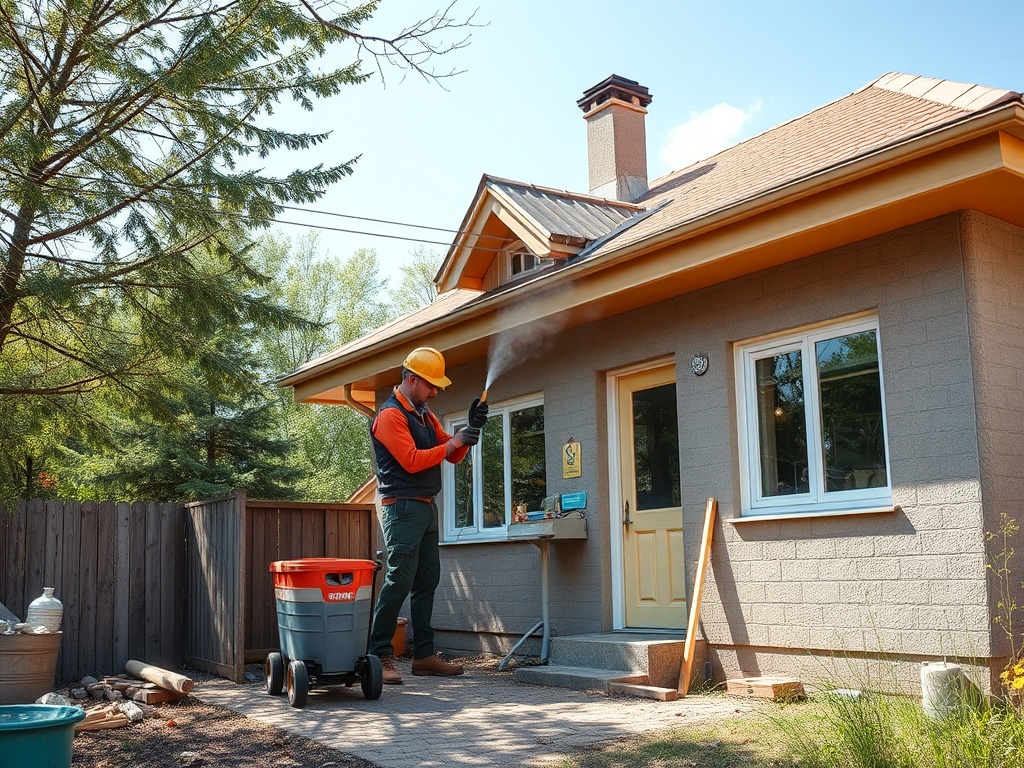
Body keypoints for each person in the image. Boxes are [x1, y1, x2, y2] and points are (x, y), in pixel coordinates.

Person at [368, 346, 488, 685]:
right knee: (399, 581)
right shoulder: (391, 415)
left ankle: (423, 655)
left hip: (425, 507)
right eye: (430, 385)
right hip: (402, 507)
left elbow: (451, 455)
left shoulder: (424, 412)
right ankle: (379, 654)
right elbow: (411, 460)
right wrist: (452, 444)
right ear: (410, 379)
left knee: (427, 581)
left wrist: (468, 431)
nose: (435, 391)